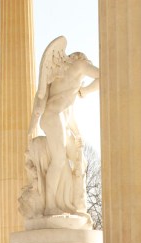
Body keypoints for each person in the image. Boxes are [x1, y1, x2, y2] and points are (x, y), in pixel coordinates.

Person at [25, 36, 99, 215]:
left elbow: (63, 110)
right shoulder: (80, 65)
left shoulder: (58, 75)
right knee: (59, 160)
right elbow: (104, 75)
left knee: (67, 160)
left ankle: (65, 203)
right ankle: (50, 205)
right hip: (54, 116)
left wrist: (77, 133)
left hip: (53, 117)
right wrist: (86, 91)